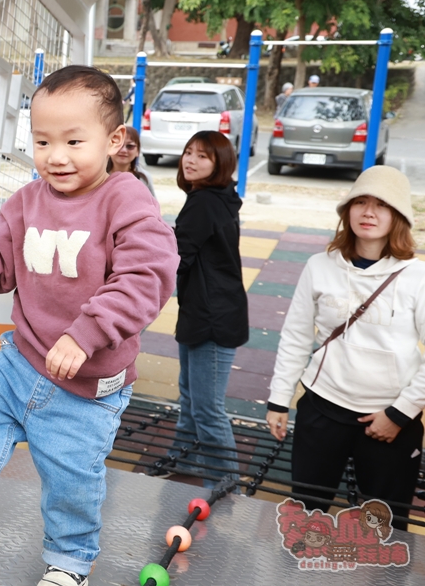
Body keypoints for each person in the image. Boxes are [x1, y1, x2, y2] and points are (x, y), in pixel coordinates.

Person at [0, 65, 179, 586]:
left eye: (74, 140)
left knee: (71, 474)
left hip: (86, 382)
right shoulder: (27, 202)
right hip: (21, 360)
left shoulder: (126, 201)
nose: (57, 155)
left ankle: (70, 561)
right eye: (43, 141)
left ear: (115, 141)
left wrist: (85, 333)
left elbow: (147, 279)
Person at [266, 166, 425, 530]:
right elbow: (295, 335)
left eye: (381, 205)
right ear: (346, 211)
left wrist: (400, 413)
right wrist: (279, 400)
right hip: (322, 408)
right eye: (360, 202)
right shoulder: (319, 266)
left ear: (398, 216)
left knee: (384, 526)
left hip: (388, 420)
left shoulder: (417, 277)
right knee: (307, 515)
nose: (368, 212)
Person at [169, 131, 249, 487]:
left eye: (203, 156)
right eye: (188, 152)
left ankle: (224, 487)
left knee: (206, 408)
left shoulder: (205, 202)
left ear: (220, 164)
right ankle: (180, 464)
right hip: (205, 310)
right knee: (191, 399)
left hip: (212, 317)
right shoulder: (217, 197)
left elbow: (176, 256)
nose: (190, 160)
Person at [107, 125, 154, 196]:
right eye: (119, 145)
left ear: (138, 151)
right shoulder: (97, 176)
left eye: (130, 146)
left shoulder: (144, 178)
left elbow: (152, 205)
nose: (123, 150)